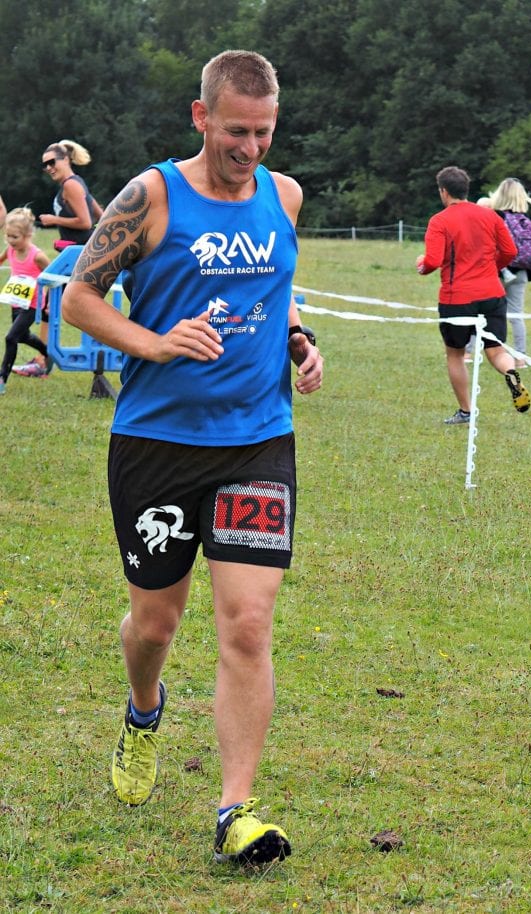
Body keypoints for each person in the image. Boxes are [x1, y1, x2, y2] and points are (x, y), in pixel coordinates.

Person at [61, 49, 323, 868]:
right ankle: (144, 711)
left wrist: (302, 341)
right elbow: (78, 300)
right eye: (237, 131)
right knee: (155, 622)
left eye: (265, 132)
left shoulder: (284, 197)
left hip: (256, 443)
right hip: (157, 443)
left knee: (247, 622)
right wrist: (157, 343)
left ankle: (234, 809)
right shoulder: (151, 197)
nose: (251, 148)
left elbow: (271, 295)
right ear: (201, 116)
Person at [417, 166, 530, 425]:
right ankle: (511, 372)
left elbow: (433, 260)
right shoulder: (491, 217)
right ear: (466, 190)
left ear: (443, 192)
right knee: (496, 350)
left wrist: (422, 265)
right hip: (492, 294)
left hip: (456, 298)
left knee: (455, 354)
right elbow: (510, 251)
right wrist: (492, 267)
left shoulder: (440, 220)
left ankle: (466, 411)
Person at [0, 208, 50, 393]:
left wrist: (50, 301)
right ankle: (47, 354)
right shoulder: (11, 251)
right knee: (23, 336)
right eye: (8, 236)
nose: (11, 241)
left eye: (15, 237)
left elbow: (54, 276)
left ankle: (2, 378)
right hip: (16, 301)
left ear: (28, 234)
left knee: (10, 337)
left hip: (33, 304)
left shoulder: (37, 256)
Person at [491, 177, 531, 368]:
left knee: (483, 311)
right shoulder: (525, 221)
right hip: (522, 272)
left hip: (500, 270)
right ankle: (520, 357)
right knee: (517, 315)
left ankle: (471, 352)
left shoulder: (496, 217)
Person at [39, 139, 104, 245]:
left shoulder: (70, 185)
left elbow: (85, 223)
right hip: (85, 249)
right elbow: (101, 215)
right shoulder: (77, 182)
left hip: (81, 251)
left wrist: (54, 220)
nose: (48, 168)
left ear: (65, 160)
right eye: (45, 165)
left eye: (51, 162)